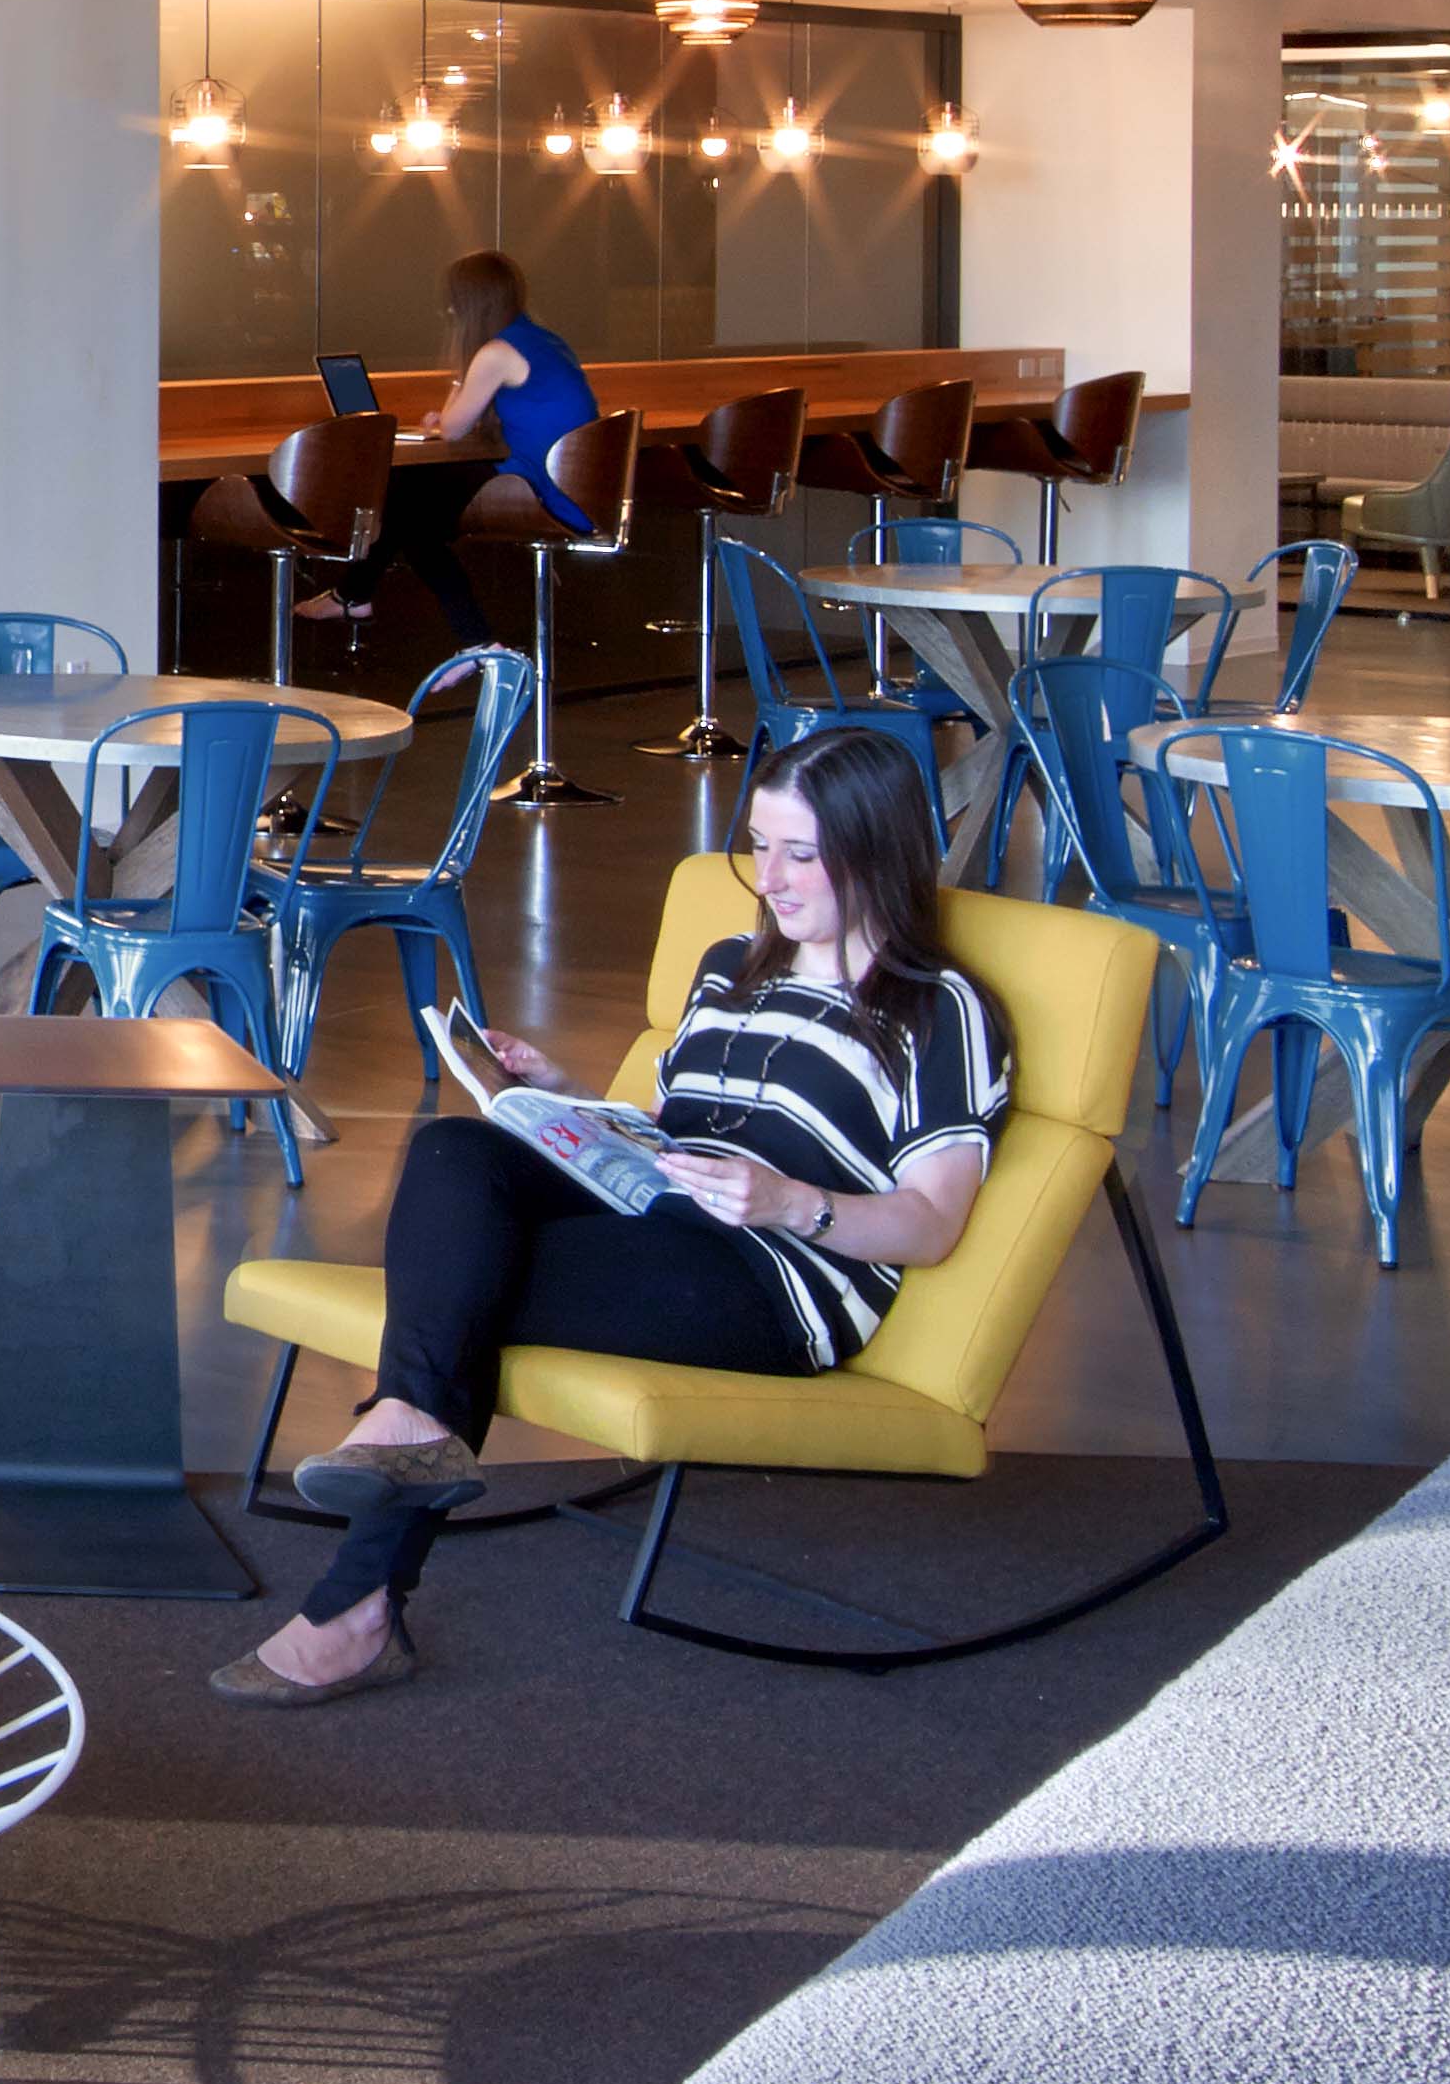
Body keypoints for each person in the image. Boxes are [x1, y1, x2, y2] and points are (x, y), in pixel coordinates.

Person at [230, 720, 1001, 1705]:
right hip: (660, 1209)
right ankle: (403, 1443)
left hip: (774, 1278)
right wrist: (565, 1097)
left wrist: (795, 1204)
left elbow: (932, 1223)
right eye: (759, 847)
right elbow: (680, 1125)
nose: (769, 877)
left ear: (877, 852)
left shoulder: (937, 1011)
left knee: (467, 1288)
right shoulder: (732, 965)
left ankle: (359, 1585)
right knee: (455, 1149)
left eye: (800, 854)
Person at [379, 247, 610, 661]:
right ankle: (354, 595)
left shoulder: (495, 353)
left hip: (543, 491)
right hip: (581, 486)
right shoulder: (546, 340)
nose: (448, 311)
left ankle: (477, 642)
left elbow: (452, 428)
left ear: (468, 305)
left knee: (409, 514)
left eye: (453, 302)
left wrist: (461, 377)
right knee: (409, 500)